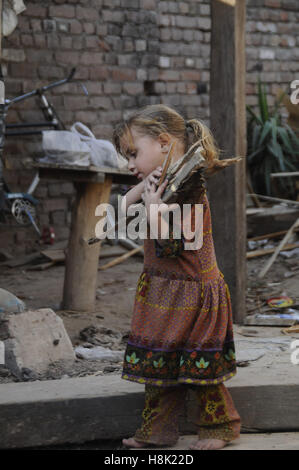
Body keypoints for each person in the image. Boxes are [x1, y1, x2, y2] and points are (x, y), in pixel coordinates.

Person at [112, 104, 243, 450]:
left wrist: (155, 206)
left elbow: (170, 243)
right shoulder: (164, 185)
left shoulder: (189, 189)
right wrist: (144, 192)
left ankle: (220, 428)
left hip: (195, 298)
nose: (129, 164)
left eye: (133, 154)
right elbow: (120, 212)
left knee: (201, 370)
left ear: (164, 143)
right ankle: (157, 432)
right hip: (163, 297)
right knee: (159, 369)